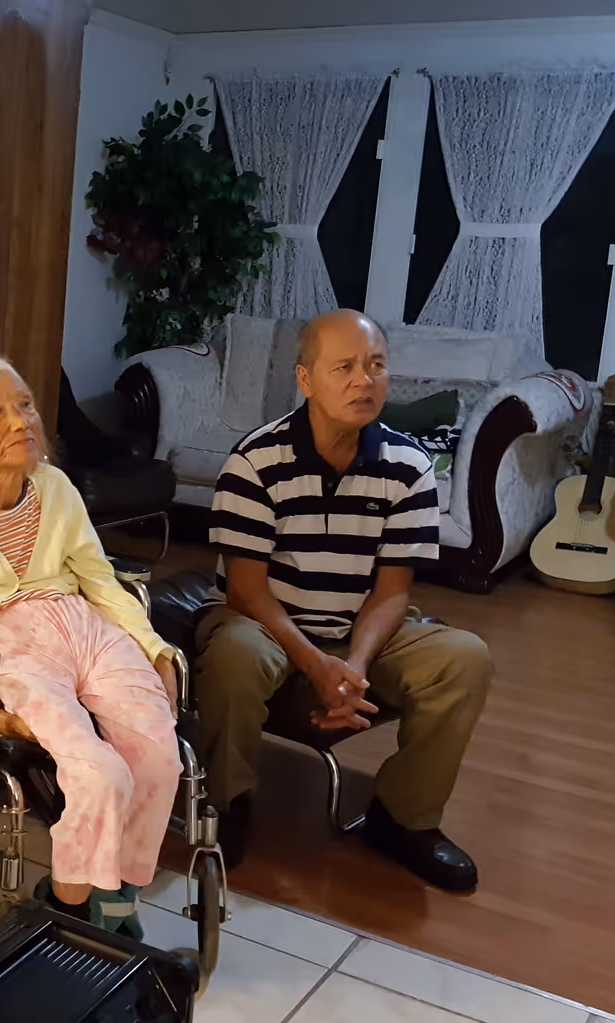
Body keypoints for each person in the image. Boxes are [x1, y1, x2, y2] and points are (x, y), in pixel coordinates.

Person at [194, 310, 492, 892]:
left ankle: (404, 818)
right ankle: (225, 802)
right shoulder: (255, 463)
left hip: (356, 625)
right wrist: (316, 665)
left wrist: (352, 667)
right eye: (345, 368)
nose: (364, 380)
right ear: (306, 380)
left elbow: (393, 592)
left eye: (376, 366)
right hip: (265, 622)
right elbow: (247, 592)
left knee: (465, 657)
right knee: (234, 656)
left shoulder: (408, 467)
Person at [0, 356, 181, 936]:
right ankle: (71, 900)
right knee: (99, 773)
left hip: (85, 629)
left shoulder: (55, 487)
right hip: (4, 648)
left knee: (160, 754)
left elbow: (100, 580)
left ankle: (118, 895)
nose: (20, 420)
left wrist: (153, 648)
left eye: (24, 405)